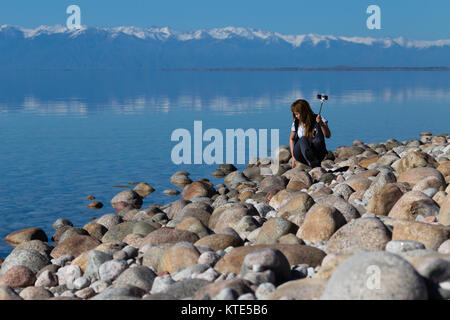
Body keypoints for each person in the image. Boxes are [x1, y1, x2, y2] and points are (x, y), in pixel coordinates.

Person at [289, 99, 331, 168]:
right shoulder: (296, 123)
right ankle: (314, 163)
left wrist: (321, 124)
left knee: (317, 139)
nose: (296, 116)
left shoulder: (318, 118)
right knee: (303, 139)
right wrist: (293, 156)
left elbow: (327, 135)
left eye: (297, 114)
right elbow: (291, 139)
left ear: (304, 112)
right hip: (300, 154)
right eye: (294, 114)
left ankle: (314, 162)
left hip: (318, 153)